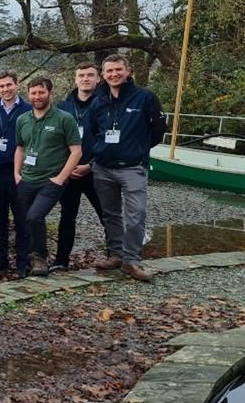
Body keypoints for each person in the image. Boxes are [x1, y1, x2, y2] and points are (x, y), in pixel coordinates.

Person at [89, 54, 166, 282]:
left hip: (133, 168)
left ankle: (131, 261)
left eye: (118, 70)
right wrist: (100, 152)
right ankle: (115, 255)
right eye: (109, 71)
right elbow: (94, 131)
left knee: (136, 215)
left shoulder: (145, 98)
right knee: (110, 214)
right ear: (103, 75)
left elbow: (158, 130)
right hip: (103, 168)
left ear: (128, 71)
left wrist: (138, 148)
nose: (114, 74)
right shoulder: (98, 101)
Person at [14, 78, 82, 277]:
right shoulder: (22, 119)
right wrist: (16, 174)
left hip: (51, 180)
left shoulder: (64, 118)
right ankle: (25, 259)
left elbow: (76, 151)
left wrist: (61, 177)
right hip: (26, 178)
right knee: (25, 220)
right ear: (28, 94)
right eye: (33, 93)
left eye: (41, 93)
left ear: (49, 93)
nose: (37, 97)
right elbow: (19, 148)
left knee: (35, 216)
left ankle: (40, 258)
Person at [54, 63, 105, 270]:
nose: (85, 79)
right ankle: (61, 261)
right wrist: (65, 168)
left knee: (106, 215)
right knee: (67, 217)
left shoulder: (105, 104)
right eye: (81, 75)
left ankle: (116, 256)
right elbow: (55, 141)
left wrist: (90, 165)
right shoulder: (62, 107)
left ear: (98, 79)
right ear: (75, 79)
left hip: (96, 170)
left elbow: (107, 140)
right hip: (70, 172)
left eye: (90, 75)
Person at [0, 70, 32, 275]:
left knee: (22, 218)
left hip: (20, 172)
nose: (6, 89)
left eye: (9, 85)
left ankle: (23, 261)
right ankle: (1, 258)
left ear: (17, 84)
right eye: (1, 86)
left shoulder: (29, 110)